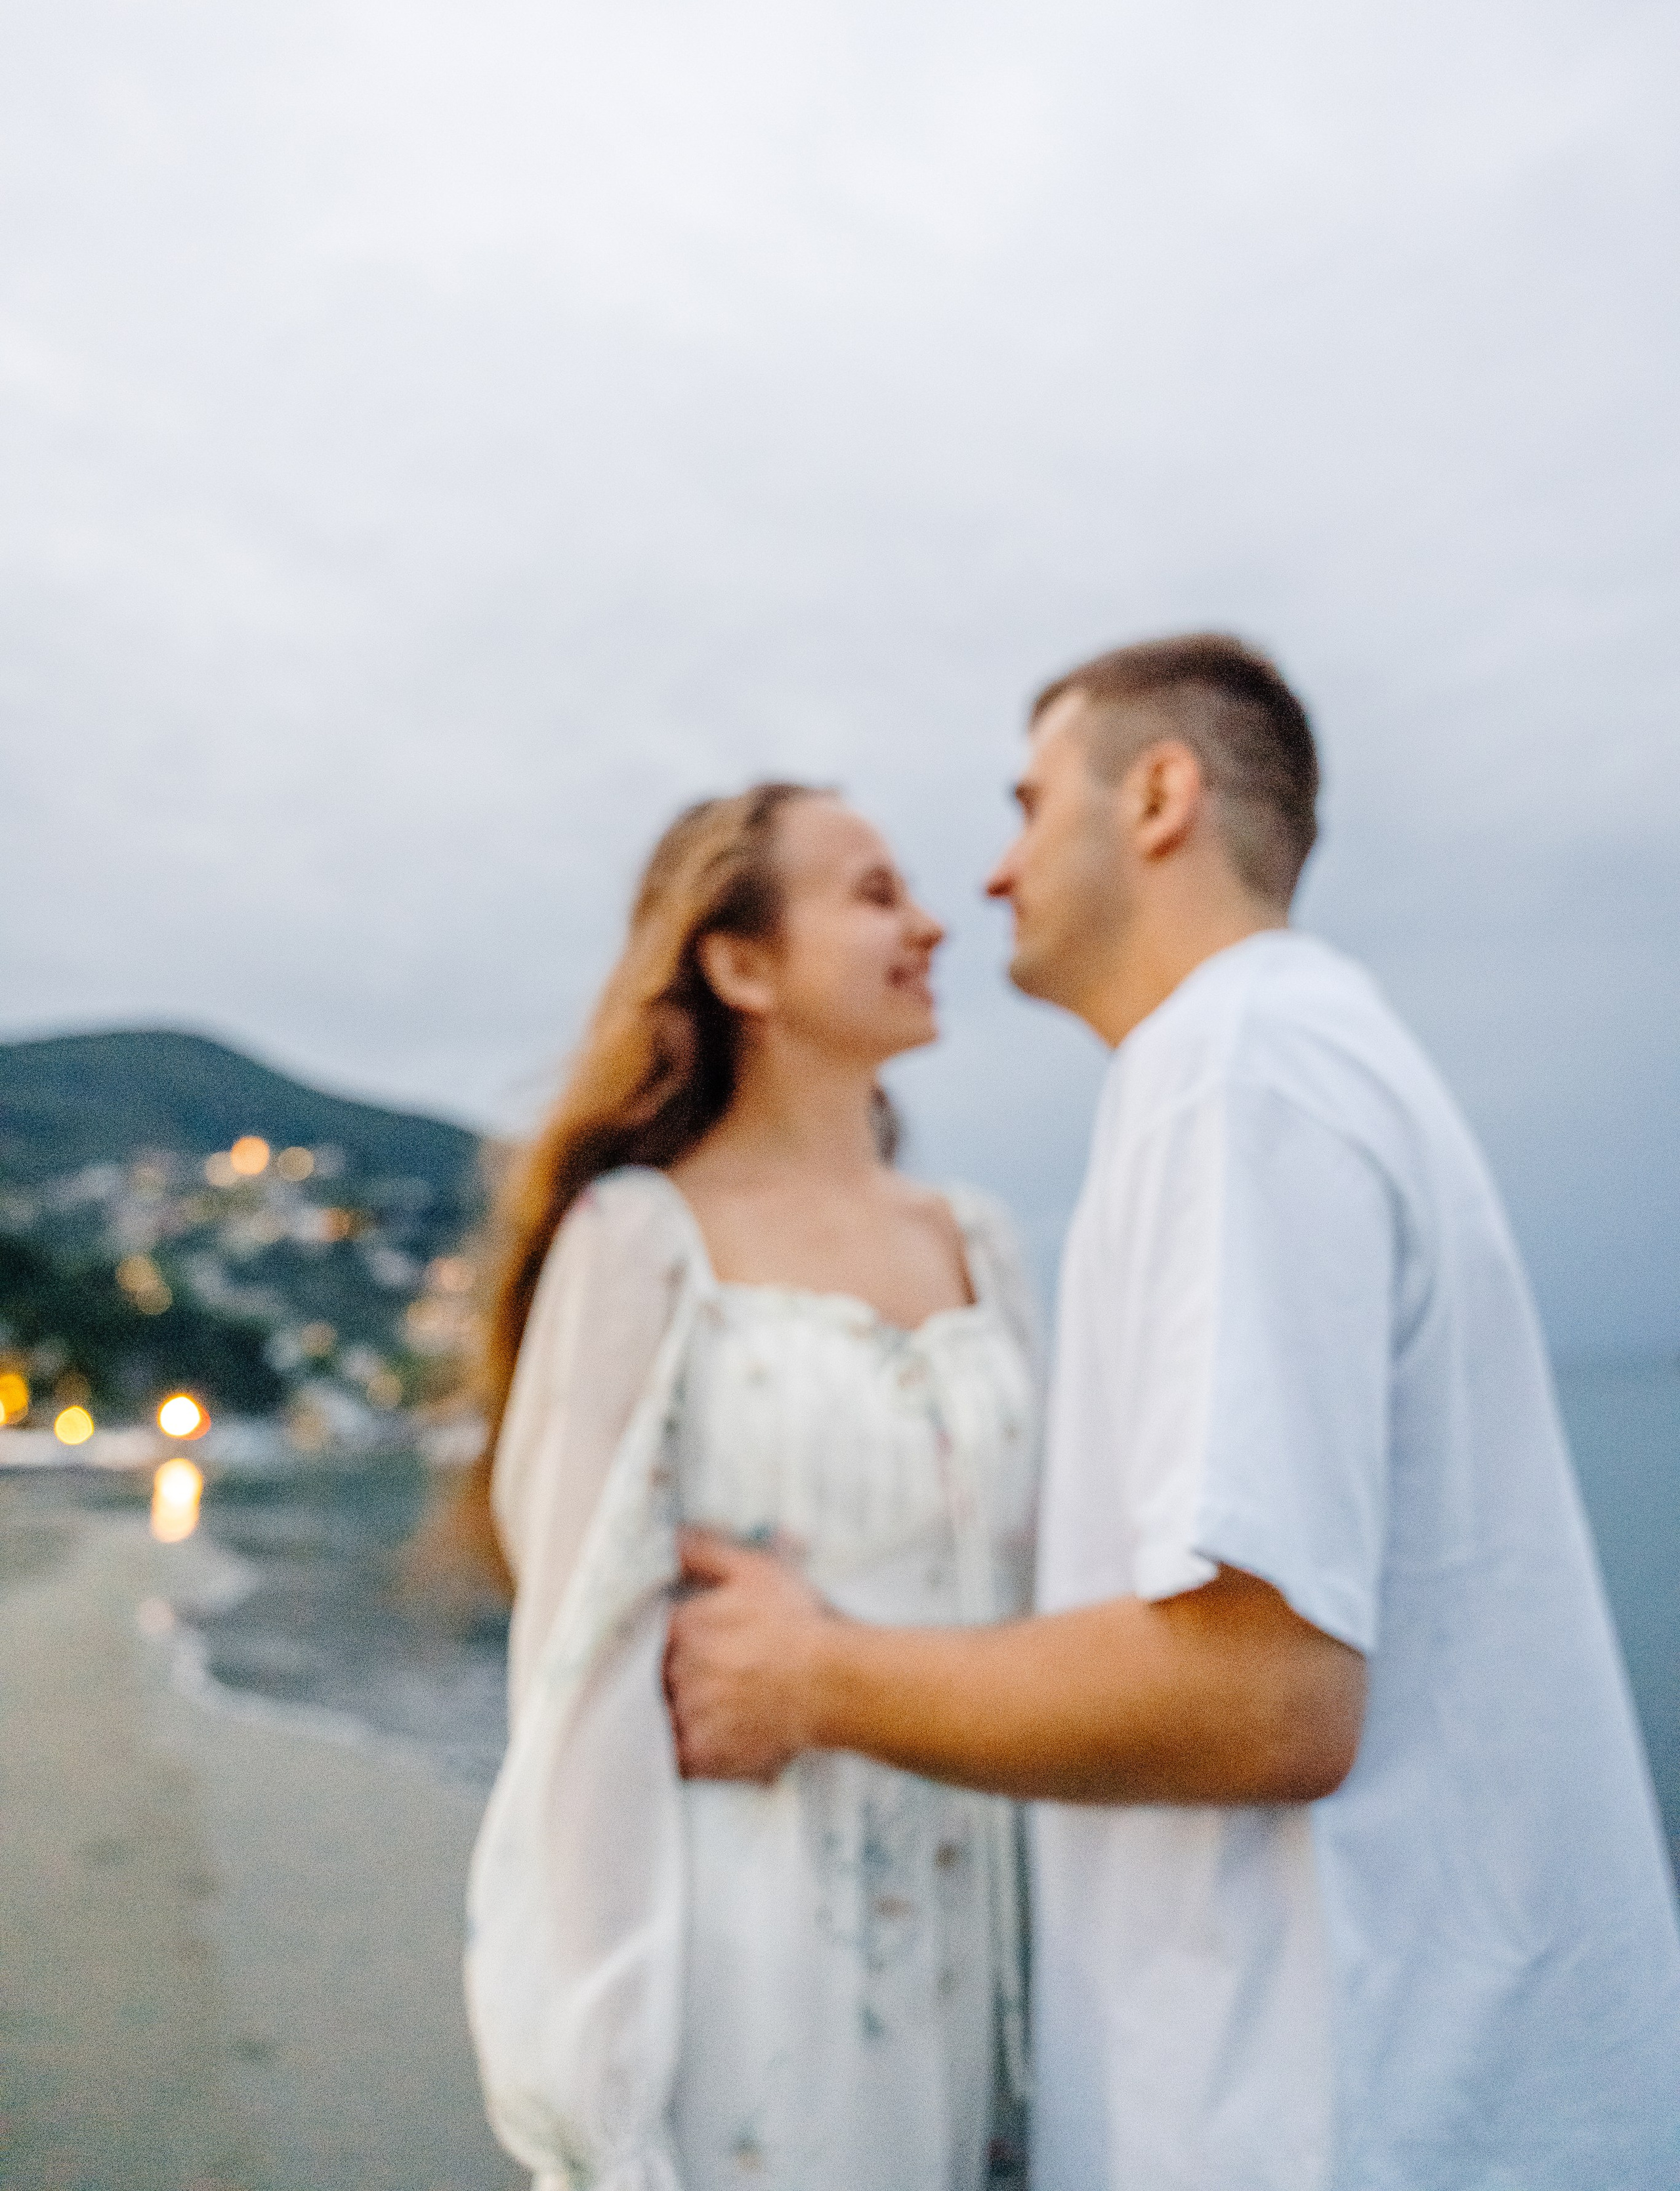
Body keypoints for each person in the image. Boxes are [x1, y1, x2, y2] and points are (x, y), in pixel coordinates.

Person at [664, 635, 1680, 2191]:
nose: (989, 876)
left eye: (1024, 803)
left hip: (1338, 2112)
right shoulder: (1290, 1055)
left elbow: (1260, 1690)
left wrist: (812, 1673)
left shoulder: (1237, 1069)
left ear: (1156, 796)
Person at [464, 782, 1041, 2191]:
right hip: (750, 1964)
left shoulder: (983, 1237)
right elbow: (579, 1685)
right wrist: (601, 2098)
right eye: (870, 891)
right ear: (739, 964)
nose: (927, 922)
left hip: (999, 1949)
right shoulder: (635, 1242)